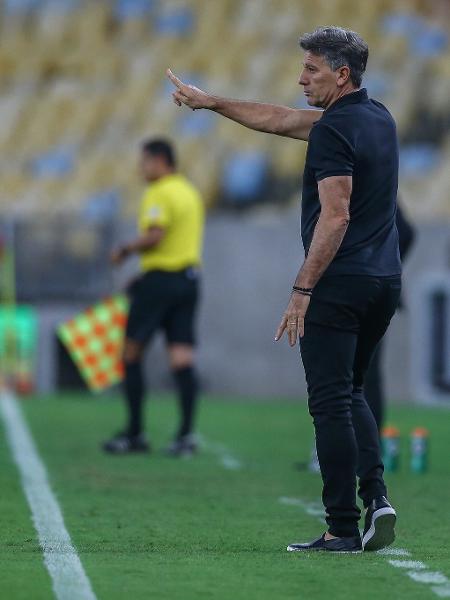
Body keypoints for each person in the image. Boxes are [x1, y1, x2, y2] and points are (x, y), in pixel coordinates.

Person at [167, 25, 400, 552]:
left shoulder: (334, 131)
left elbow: (335, 217)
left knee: (329, 402)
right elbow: (279, 120)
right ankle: (377, 497)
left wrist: (301, 290)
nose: (300, 79)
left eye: (311, 70)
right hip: (384, 279)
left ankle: (341, 526)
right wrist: (212, 103)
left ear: (341, 75)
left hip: (339, 283)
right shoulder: (377, 118)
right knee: (352, 390)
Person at [103, 139, 204, 457]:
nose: (141, 168)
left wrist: (124, 250)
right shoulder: (189, 191)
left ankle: (135, 434)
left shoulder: (159, 192)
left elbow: (156, 235)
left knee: (131, 354)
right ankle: (186, 435)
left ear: (160, 161)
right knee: (182, 358)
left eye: (145, 162)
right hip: (188, 281)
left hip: (160, 282)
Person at [364, 204, 415, 432]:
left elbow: (406, 232)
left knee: (353, 373)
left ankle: (359, 445)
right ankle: (369, 445)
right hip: (375, 289)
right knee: (365, 372)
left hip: (363, 289)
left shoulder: (359, 180)